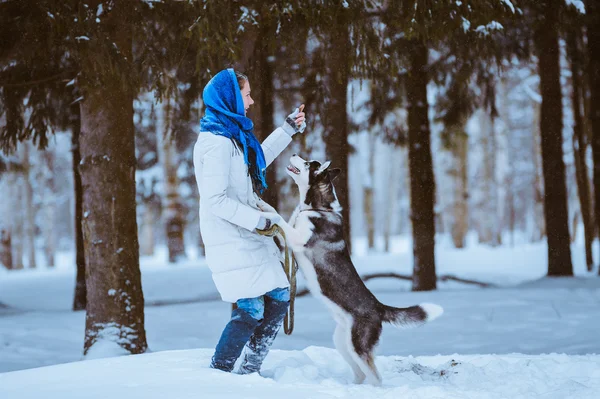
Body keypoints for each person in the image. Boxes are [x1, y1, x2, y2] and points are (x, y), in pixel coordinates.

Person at [193, 68, 306, 374]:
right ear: (230, 97)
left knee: (280, 295)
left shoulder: (231, 135)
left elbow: (255, 161)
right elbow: (214, 200)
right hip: (231, 236)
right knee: (252, 308)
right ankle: (221, 370)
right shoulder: (215, 143)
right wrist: (257, 221)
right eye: (246, 94)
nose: (252, 101)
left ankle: (250, 369)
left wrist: (286, 130)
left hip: (248, 234)